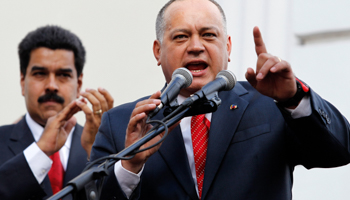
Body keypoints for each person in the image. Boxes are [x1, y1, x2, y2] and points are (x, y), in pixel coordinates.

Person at [90, 0, 350, 199]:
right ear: (158, 51)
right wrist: (130, 166)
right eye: (181, 36)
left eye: (208, 35)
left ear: (228, 47)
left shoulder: (270, 104)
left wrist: (294, 98)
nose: (195, 46)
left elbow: (339, 152)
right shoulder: (122, 123)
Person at [0, 25, 114, 200]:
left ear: (79, 84)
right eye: (40, 73)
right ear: (23, 82)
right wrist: (41, 151)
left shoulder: (97, 144)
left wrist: (98, 151)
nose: (51, 85)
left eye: (63, 75)